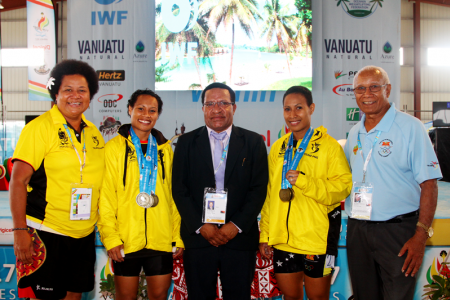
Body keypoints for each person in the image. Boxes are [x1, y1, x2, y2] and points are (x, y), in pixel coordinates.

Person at [344, 65, 442, 300]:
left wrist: (420, 235)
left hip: (398, 231)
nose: (367, 94)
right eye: (360, 89)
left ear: (387, 89)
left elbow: (429, 184)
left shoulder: (411, 127)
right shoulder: (354, 132)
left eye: (374, 87)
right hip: (358, 229)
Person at [10, 59, 105, 299]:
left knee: (74, 296)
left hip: (83, 234)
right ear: (56, 93)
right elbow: (18, 181)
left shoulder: (94, 133)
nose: (75, 96)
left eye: (82, 90)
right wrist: (20, 230)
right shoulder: (39, 128)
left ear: (90, 95)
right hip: (45, 231)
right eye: (68, 90)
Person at [172, 82, 268, 300]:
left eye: (224, 103)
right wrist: (199, 225)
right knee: (199, 295)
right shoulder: (186, 142)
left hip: (239, 238)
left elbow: (258, 189)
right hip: (199, 238)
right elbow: (179, 188)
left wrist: (235, 226)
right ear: (203, 108)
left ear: (234, 107)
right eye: (210, 103)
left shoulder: (253, 142)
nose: (217, 109)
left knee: (238, 295)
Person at [259, 86, 352, 300]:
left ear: (311, 108)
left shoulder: (329, 147)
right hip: (284, 240)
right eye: (287, 109)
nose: (293, 115)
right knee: (290, 297)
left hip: (317, 240)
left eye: (299, 108)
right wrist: (265, 234)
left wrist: (305, 181)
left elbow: (342, 187)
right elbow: (269, 194)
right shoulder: (278, 147)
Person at [98, 89, 183, 300]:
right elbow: (106, 198)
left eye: (152, 110)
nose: (146, 114)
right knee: (125, 297)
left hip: (160, 240)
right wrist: (111, 238)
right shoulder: (113, 148)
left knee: (159, 296)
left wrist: (177, 237)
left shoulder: (165, 149)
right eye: (140, 109)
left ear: (158, 114)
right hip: (126, 239)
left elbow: (174, 197)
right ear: (129, 110)